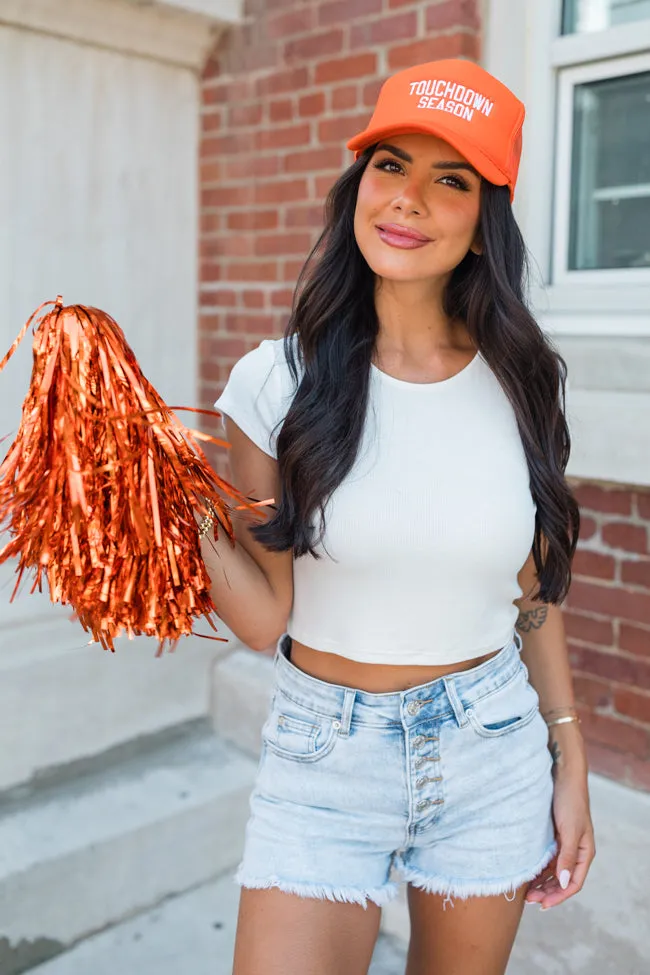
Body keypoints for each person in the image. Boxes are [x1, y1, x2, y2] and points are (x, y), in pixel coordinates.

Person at [199, 58, 596, 975]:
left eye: (449, 179)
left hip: (490, 744)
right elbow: (262, 618)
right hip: (323, 753)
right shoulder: (274, 382)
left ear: (485, 225)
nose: (409, 199)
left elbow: (531, 590)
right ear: (356, 189)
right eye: (390, 166)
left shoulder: (523, 382)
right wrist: (166, 492)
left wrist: (566, 753)